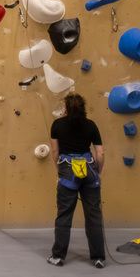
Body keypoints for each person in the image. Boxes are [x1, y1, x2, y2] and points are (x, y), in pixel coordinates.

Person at [48, 93, 106, 269]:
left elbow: (55, 152)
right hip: (89, 170)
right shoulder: (91, 125)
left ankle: (58, 257)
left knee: (64, 215)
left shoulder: (57, 124)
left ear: (66, 107)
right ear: (83, 108)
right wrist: (98, 172)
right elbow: (100, 153)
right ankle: (98, 258)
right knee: (94, 216)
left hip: (68, 169)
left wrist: (59, 171)